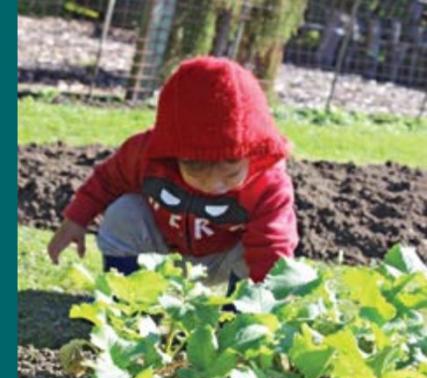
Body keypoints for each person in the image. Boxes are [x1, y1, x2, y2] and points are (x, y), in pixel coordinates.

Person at [48, 56, 298, 288]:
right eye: (197, 175)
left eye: (231, 176)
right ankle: (127, 301)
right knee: (123, 211)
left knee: (263, 250)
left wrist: (258, 309)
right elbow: (106, 181)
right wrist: (76, 220)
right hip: (163, 254)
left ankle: (236, 316)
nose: (215, 187)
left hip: (225, 260)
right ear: (174, 153)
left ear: (251, 152)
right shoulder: (145, 155)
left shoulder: (268, 182)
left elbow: (272, 247)